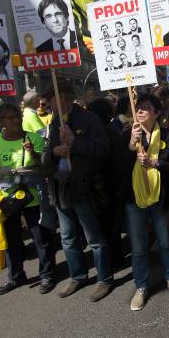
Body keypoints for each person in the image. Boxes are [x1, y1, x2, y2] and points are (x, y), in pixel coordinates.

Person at [42, 80, 114, 302]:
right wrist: (53, 151)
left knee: (94, 236)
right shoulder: (53, 122)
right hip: (60, 187)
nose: (47, 104)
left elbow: (102, 151)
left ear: (61, 96)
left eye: (50, 99)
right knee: (68, 236)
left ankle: (104, 279)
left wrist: (75, 143)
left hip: (83, 187)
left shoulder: (88, 119)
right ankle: (78, 275)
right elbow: (45, 159)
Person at [0, 103, 57, 295]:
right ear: (1, 122)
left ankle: (47, 275)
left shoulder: (33, 137)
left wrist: (32, 152)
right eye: (10, 117)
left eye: (17, 116)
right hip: (6, 200)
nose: (16, 120)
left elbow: (45, 168)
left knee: (41, 238)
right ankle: (15, 276)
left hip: (32, 197)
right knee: (11, 239)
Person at [122, 94, 169, 310]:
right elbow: (118, 163)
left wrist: (154, 162)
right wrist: (132, 143)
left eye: (146, 107)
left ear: (157, 112)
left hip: (160, 197)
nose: (140, 111)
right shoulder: (129, 133)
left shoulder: (168, 133)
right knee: (139, 246)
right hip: (135, 198)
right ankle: (141, 286)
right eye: (138, 107)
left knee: (165, 240)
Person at [86, 97, 125, 268]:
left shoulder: (102, 131)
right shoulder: (111, 128)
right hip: (113, 184)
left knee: (107, 225)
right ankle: (116, 257)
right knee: (112, 225)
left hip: (107, 185)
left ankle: (112, 260)